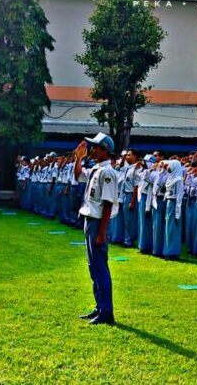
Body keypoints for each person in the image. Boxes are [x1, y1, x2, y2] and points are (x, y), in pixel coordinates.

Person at [74, 132, 119, 325]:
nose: (91, 150)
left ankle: (107, 312)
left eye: (95, 147)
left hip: (97, 222)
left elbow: (108, 204)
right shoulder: (96, 169)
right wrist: (78, 158)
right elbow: (78, 175)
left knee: (100, 268)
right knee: (93, 267)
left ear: (104, 150)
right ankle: (99, 307)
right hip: (89, 220)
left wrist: (102, 233)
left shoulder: (107, 172)